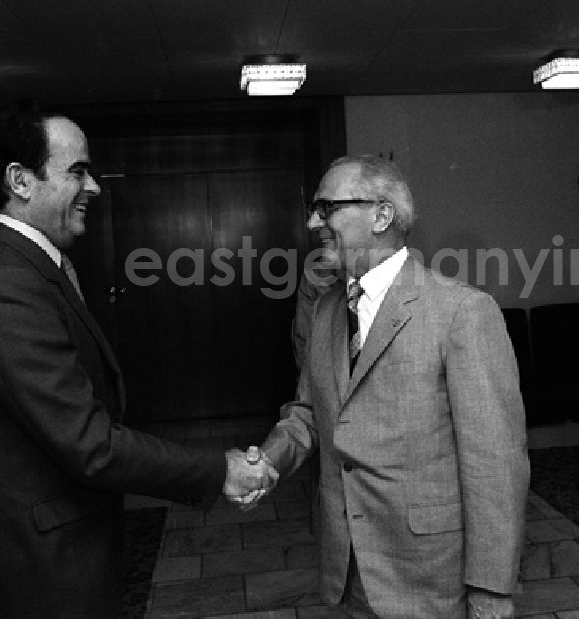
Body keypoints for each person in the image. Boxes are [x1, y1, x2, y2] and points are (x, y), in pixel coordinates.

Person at [0, 100, 277, 617]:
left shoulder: (36, 265)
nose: (94, 188)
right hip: (44, 565)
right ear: (20, 180)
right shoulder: (10, 281)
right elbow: (87, 442)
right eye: (78, 172)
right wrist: (219, 470)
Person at [251, 155, 529, 617]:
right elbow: (307, 413)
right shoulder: (326, 311)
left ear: (381, 215)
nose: (312, 221)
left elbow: (495, 463)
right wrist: (268, 464)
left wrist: (491, 587)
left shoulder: (462, 312)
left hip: (433, 577)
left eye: (327, 207)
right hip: (351, 570)